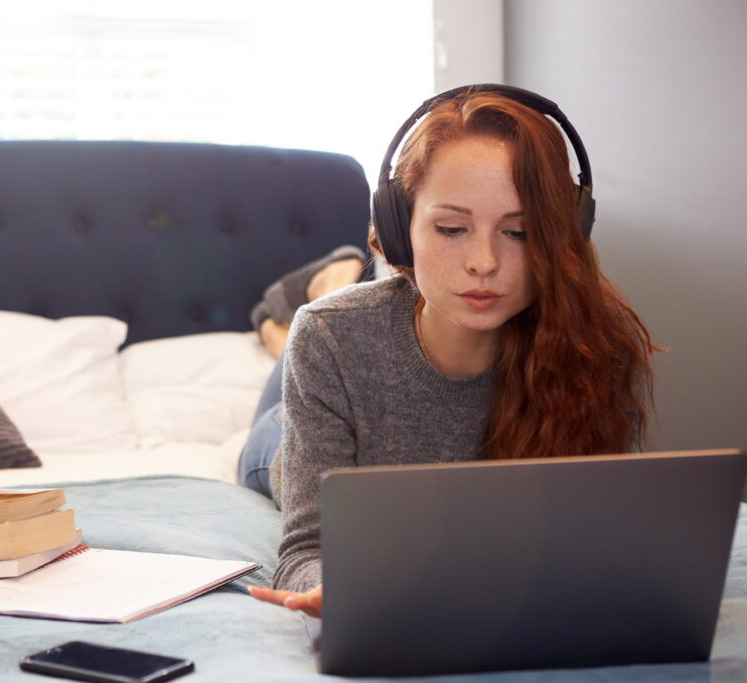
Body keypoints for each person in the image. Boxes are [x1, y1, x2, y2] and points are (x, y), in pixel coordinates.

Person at [237, 85, 658, 619]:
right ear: (399, 230)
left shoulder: (596, 344)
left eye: (520, 233)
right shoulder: (329, 338)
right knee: (302, 344)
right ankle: (301, 303)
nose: (483, 262)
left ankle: (332, 279)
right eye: (452, 228)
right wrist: (332, 589)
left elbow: (609, 534)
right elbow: (305, 548)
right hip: (278, 440)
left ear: (564, 236)